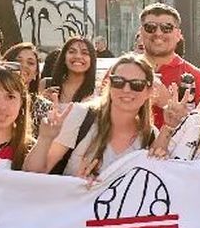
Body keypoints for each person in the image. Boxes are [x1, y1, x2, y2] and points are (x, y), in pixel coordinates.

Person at [25, 54, 158, 178]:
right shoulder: (81, 116)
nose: (126, 89)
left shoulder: (151, 136)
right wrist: (45, 138)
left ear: (149, 91)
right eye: (118, 81)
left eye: (137, 85)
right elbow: (32, 174)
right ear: (109, 85)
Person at [137, 4, 200, 126]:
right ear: (141, 32)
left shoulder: (198, 77)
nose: (158, 33)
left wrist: (167, 102)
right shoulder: (120, 72)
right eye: (150, 27)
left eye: (166, 28)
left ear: (178, 34)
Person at [3, 41, 52, 132]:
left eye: (30, 63)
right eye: (18, 61)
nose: (24, 66)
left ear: (36, 73)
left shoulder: (44, 107)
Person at [44, 36, 98, 105]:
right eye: (72, 52)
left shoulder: (99, 91)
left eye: (84, 53)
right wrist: (42, 101)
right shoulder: (46, 84)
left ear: (92, 60)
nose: (78, 56)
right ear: (64, 57)